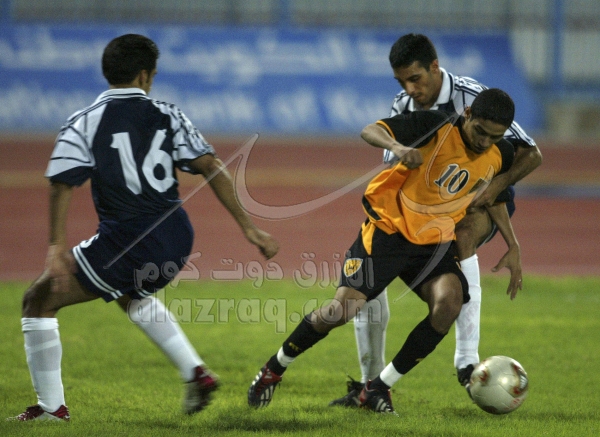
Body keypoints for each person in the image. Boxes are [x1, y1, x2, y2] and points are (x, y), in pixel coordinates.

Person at [9, 34, 279, 422]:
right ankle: (196, 373)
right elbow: (211, 165)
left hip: (126, 241)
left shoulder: (84, 121)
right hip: (177, 237)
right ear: (144, 76)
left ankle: (51, 409)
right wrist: (249, 229)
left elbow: (62, 182)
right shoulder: (168, 113)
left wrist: (56, 246)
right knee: (129, 293)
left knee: (37, 300)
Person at [248, 88, 520, 413]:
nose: (484, 142)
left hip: (433, 243)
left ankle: (378, 387)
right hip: (388, 232)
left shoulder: (501, 152)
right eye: (480, 131)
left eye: (494, 136)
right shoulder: (435, 125)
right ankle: (274, 368)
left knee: (449, 303)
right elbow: (370, 130)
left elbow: (495, 196)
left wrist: (513, 244)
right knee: (341, 311)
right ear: (468, 114)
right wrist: (399, 147)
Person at [329, 33, 541, 407]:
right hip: (424, 210)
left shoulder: (474, 98)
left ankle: (467, 359)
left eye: (416, 79)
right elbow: (394, 171)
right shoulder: (404, 106)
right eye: (402, 82)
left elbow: (532, 153)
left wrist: (494, 187)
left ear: (434, 67)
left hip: (480, 202)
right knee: (368, 281)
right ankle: (367, 385)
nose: (410, 89)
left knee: (464, 234)